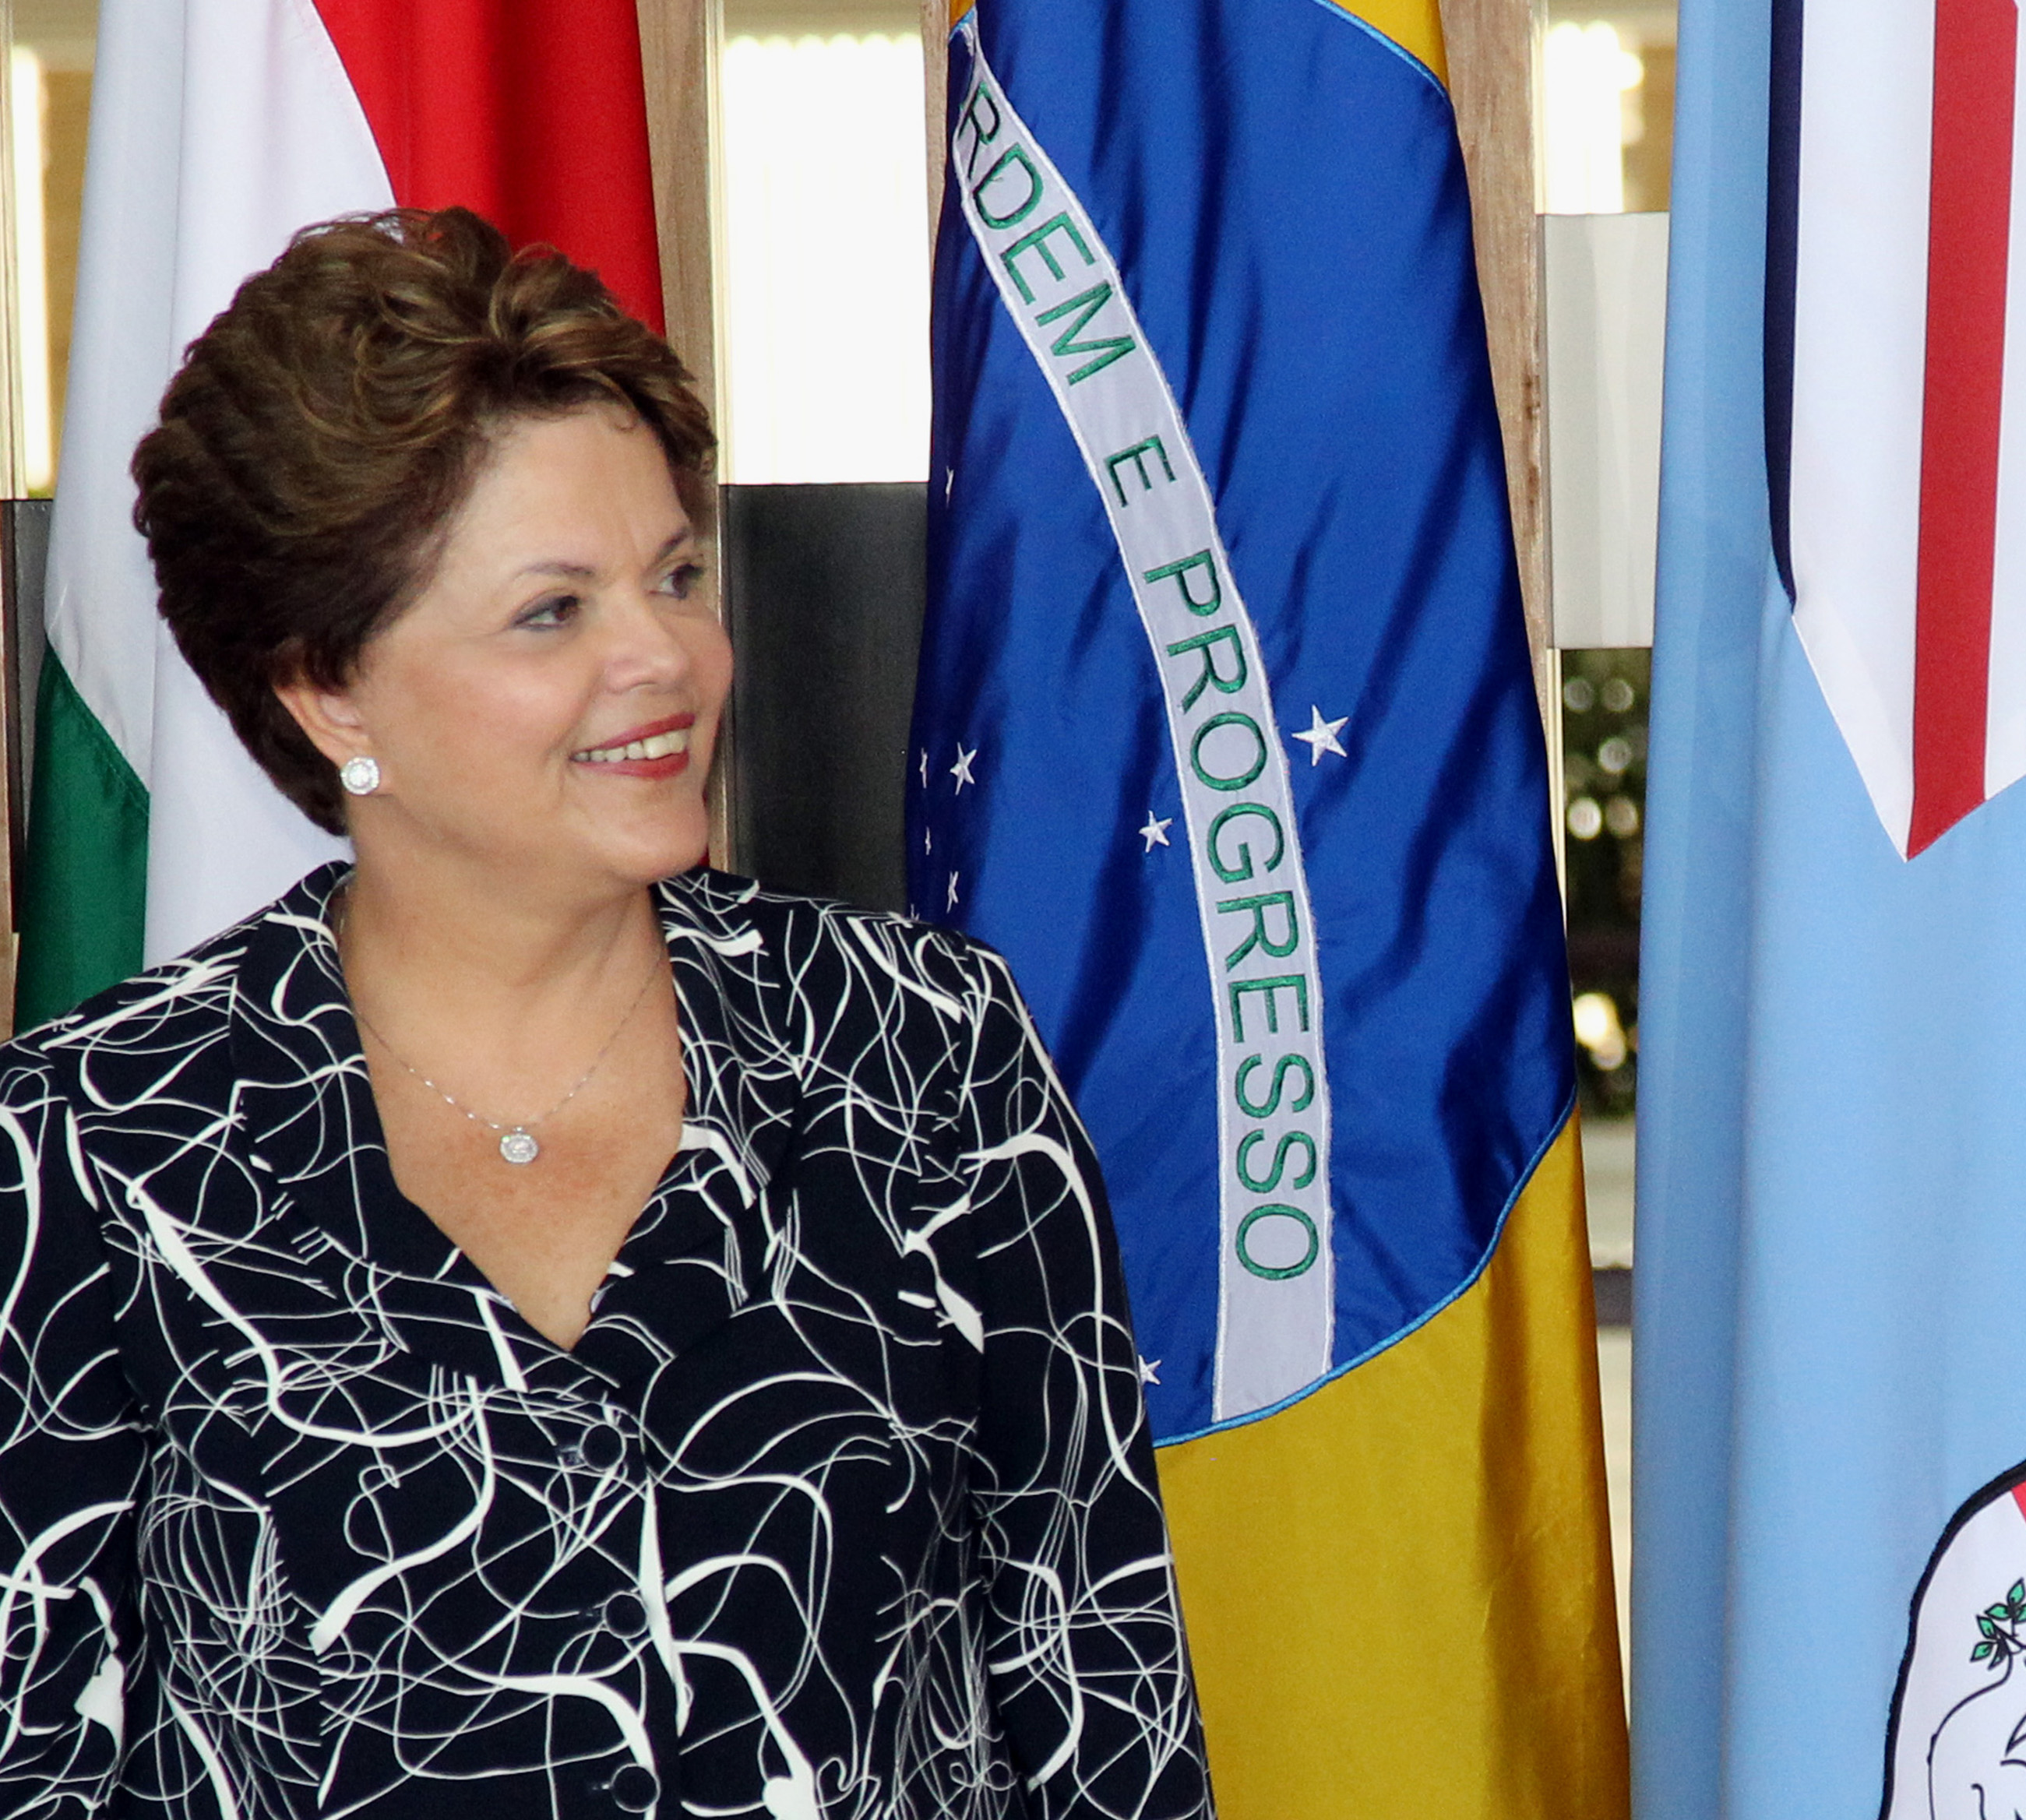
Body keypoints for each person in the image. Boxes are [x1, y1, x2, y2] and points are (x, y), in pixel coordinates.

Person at [0, 208, 1211, 1820]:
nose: (670, 657)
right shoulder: (93, 1141)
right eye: (553, 609)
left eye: (675, 573)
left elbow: (1098, 1699)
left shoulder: (926, 1050)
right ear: (326, 686)